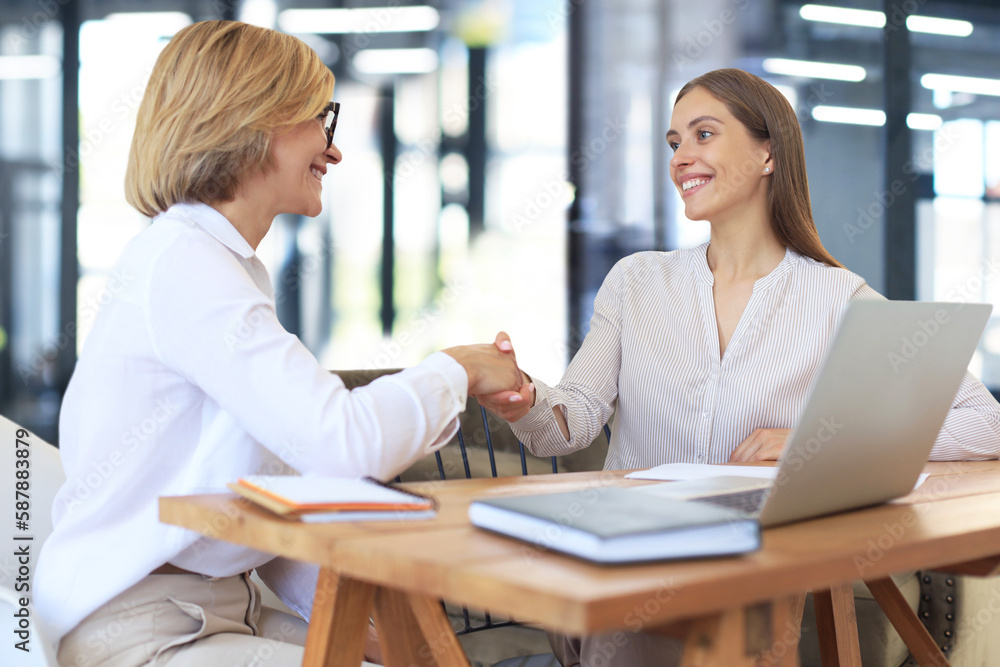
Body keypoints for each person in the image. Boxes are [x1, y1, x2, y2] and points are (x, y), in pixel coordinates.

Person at [35, 20, 523, 667]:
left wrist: (384, 639)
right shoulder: (185, 261)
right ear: (253, 119)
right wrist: (458, 368)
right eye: (322, 118)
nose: (335, 148)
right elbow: (342, 442)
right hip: (142, 628)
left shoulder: (221, 266)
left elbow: (283, 491)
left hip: (219, 607)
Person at [480, 68, 1000, 666]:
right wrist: (521, 396)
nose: (681, 157)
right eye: (674, 142)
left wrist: (814, 442)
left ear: (767, 153)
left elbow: (984, 423)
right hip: (631, 561)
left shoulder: (835, 297)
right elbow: (566, 428)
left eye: (704, 134)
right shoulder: (637, 282)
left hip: (760, 575)